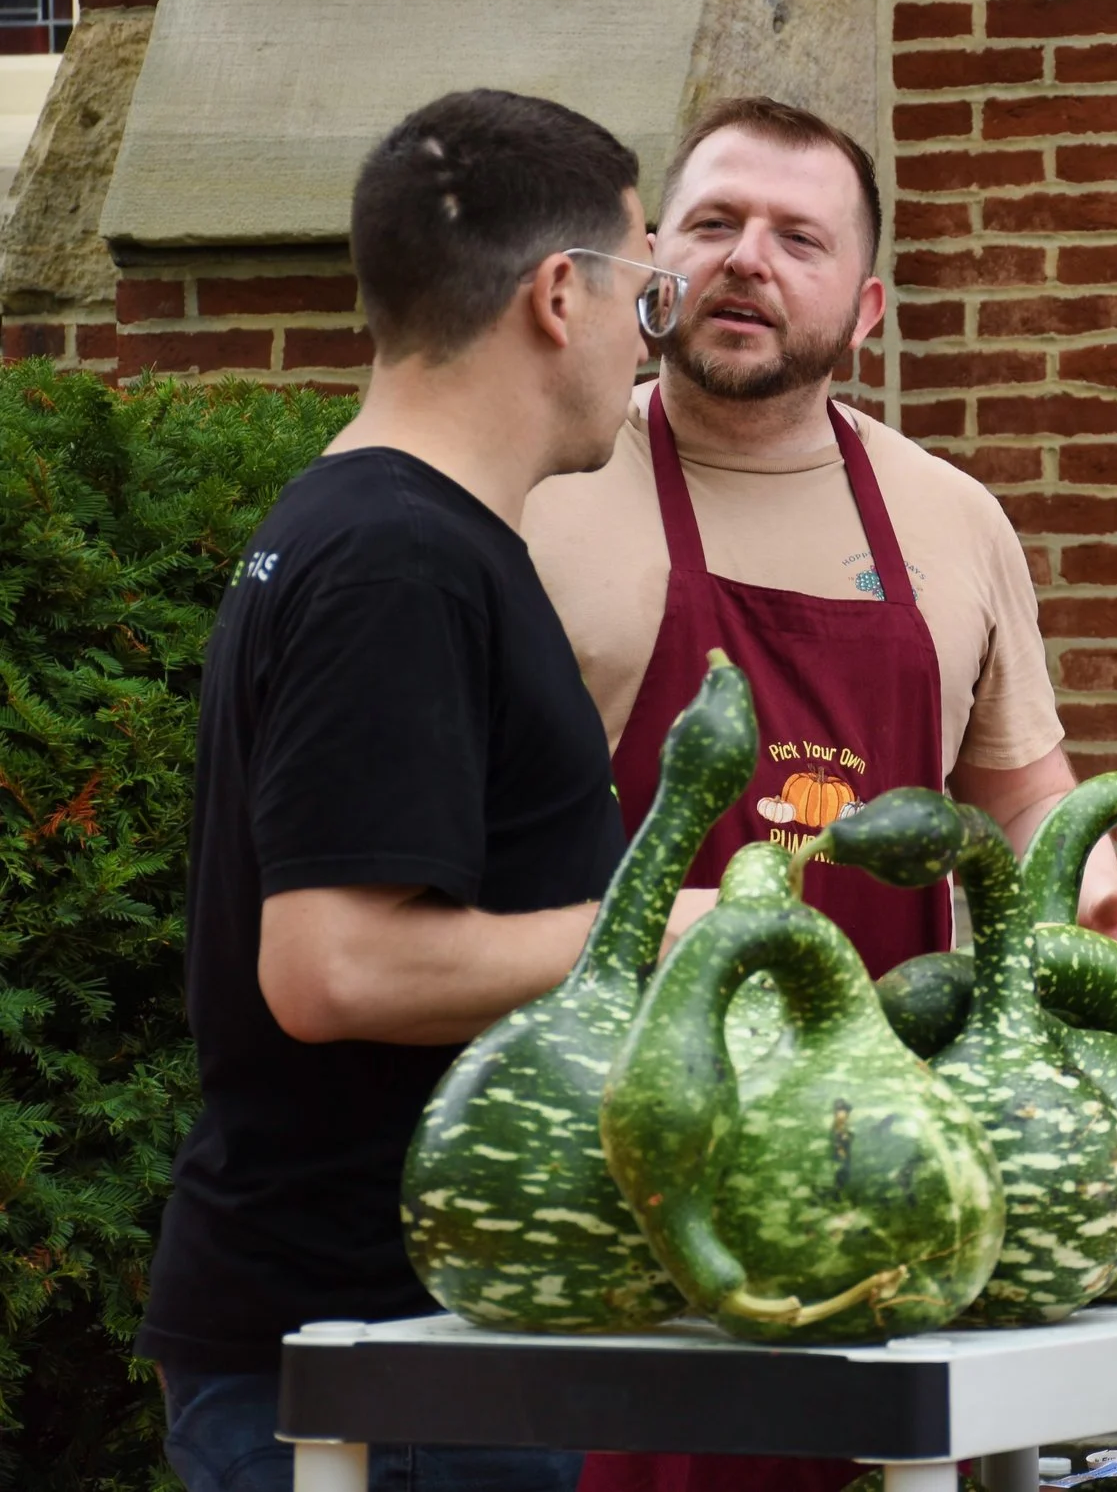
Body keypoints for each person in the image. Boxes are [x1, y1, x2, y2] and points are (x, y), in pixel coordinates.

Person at [141, 90, 711, 1491]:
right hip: (377, 1362)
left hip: (413, 1346)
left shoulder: (382, 530)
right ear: (559, 295)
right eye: (649, 292)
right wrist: (654, 929)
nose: (653, 341)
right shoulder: (399, 560)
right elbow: (331, 965)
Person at [522, 96, 1117, 978]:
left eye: (800, 239)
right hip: (612, 1056)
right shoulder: (536, 489)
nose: (746, 258)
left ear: (864, 311)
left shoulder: (955, 516)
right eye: (714, 223)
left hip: (891, 1056)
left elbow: (1023, 799)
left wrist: (1104, 925)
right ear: (653, 263)